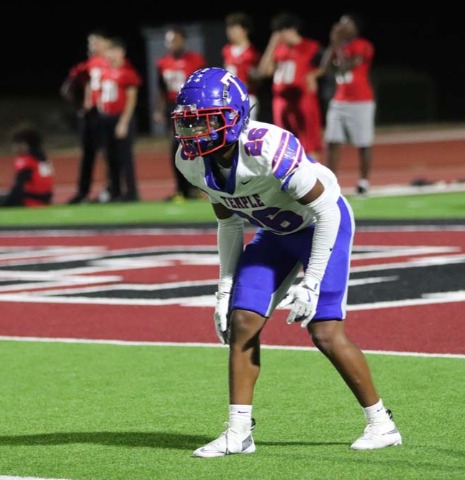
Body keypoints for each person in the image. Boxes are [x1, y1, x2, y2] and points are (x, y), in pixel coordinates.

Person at [171, 67, 402, 457]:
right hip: (274, 232)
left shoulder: (267, 148)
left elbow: (327, 211)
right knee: (242, 321)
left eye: (205, 121)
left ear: (234, 116)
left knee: (325, 331)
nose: (194, 132)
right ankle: (239, 433)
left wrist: (311, 281)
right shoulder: (190, 162)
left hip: (320, 226)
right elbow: (229, 224)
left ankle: (382, 424)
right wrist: (224, 290)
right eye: (188, 123)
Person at [320, 13, 375, 196]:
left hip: (361, 100)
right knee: (332, 140)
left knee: (363, 142)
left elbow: (345, 67)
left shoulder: (363, 45)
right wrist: (333, 44)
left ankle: (363, 182)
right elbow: (325, 69)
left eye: (347, 24)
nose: (342, 27)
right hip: (339, 99)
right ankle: (331, 181)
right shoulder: (338, 47)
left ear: (356, 28)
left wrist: (337, 44)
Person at [257, 12, 324, 160]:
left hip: (303, 100)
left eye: (281, 31)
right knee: (284, 145)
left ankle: (315, 172)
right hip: (281, 102)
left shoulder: (311, 46)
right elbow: (264, 71)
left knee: (309, 143)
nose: (280, 36)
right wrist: (271, 46)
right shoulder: (278, 49)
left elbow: (326, 66)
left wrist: (313, 75)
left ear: (292, 29)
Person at [152, 26, 206, 202]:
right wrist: (159, 110)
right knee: (176, 148)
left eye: (174, 40)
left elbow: (202, 86)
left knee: (198, 148)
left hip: (192, 109)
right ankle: (181, 189)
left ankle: (199, 188)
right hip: (173, 109)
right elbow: (161, 89)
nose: (171, 44)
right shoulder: (162, 63)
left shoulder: (195, 60)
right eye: (168, 41)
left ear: (183, 40)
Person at [62, 29, 111, 204]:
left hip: (106, 112)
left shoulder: (111, 62)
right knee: (88, 154)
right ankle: (83, 191)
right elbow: (70, 87)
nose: (93, 46)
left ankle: (110, 189)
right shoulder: (88, 65)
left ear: (106, 43)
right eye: (91, 43)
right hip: (91, 114)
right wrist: (80, 105)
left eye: (97, 42)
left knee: (108, 153)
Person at [98, 36, 142, 202]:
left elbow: (131, 99)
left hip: (121, 118)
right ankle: (115, 192)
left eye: (114, 51)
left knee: (125, 158)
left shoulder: (128, 72)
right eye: (109, 51)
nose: (111, 55)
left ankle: (131, 193)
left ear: (122, 52)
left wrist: (123, 122)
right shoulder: (105, 71)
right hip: (106, 118)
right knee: (110, 158)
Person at [221, 12, 262, 121]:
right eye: (229, 28)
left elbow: (257, 79)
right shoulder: (227, 50)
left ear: (245, 30)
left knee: (246, 127)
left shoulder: (252, 53)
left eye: (234, 28)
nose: (230, 31)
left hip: (247, 96)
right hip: (229, 97)